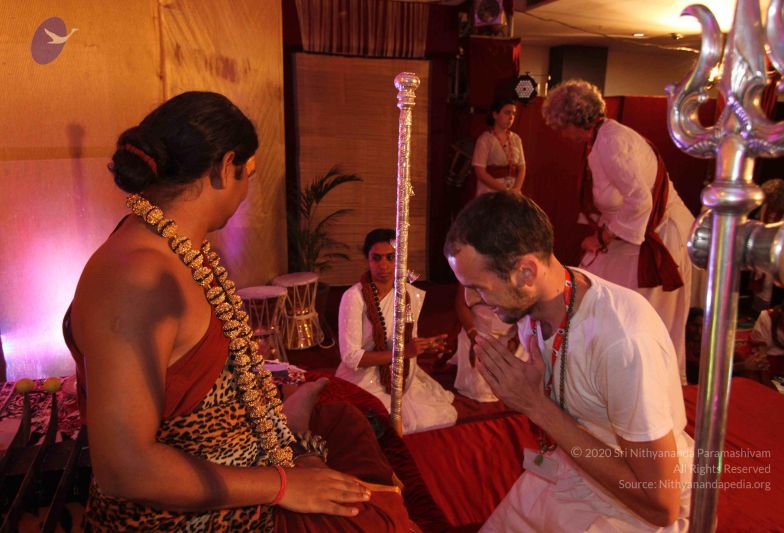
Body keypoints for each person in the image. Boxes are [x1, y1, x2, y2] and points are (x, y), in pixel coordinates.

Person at [65, 92, 414, 531]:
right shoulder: (137, 279)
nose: (247, 189)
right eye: (247, 174)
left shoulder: (175, 244)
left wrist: (279, 429)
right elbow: (124, 468)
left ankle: (289, 428)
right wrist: (284, 485)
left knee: (344, 421)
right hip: (185, 515)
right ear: (224, 166)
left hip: (232, 456)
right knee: (368, 520)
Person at [445, 192, 692, 532]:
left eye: (479, 287)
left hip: (635, 501)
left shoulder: (622, 342)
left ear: (526, 271)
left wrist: (537, 406)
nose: (471, 301)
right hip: (575, 466)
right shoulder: (543, 297)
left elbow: (661, 504)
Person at [542, 79, 694, 385]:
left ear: (571, 121)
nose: (561, 135)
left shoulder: (611, 142)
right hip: (637, 232)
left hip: (658, 237)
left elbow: (640, 202)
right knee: (592, 285)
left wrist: (602, 237)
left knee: (633, 312)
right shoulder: (602, 138)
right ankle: (598, 372)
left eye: (560, 128)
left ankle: (640, 382)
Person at [337, 229, 457, 434]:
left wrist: (423, 346)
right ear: (367, 260)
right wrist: (402, 353)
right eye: (376, 258)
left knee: (442, 415)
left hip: (400, 373)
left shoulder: (408, 293)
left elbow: (408, 339)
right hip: (364, 376)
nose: (383, 265)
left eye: (390, 257)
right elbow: (350, 357)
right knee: (378, 422)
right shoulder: (354, 297)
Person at [451, 284, 526, 402]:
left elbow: (529, 309)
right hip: (477, 332)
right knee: (480, 390)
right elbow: (461, 304)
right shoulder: (469, 273)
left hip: (514, 332)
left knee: (519, 386)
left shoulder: (522, 275)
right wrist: (473, 336)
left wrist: (516, 339)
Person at [749, 178, 784, 312]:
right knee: (761, 286)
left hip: (782, 255)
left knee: (773, 290)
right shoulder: (767, 207)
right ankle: (759, 313)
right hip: (764, 250)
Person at [472, 98, 526, 196]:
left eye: (513, 113)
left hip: (512, 191)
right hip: (490, 192)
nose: (511, 117)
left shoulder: (516, 138)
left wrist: (516, 189)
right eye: (507, 113)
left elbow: (522, 167)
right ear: (495, 115)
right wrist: (504, 189)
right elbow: (480, 172)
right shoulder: (485, 140)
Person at [750, 296, 784, 378]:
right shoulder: (767, 316)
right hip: (769, 350)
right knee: (756, 365)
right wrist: (762, 355)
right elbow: (760, 340)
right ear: (781, 311)